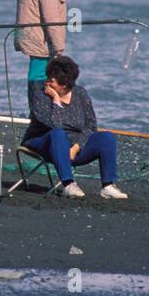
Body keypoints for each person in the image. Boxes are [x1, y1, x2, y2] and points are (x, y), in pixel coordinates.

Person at [22, 54, 128, 200]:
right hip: (43, 141)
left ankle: (108, 186)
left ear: (64, 85)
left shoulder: (80, 94)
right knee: (58, 134)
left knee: (107, 137)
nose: (47, 82)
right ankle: (68, 184)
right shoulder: (40, 94)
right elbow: (54, 125)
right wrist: (56, 100)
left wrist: (76, 147)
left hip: (73, 148)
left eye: (51, 81)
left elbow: (91, 126)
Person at [15, 0, 68, 110]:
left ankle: (37, 108)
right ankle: (38, 110)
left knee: (36, 72)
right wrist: (59, 47)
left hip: (26, 35)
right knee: (40, 74)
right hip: (41, 40)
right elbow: (51, 18)